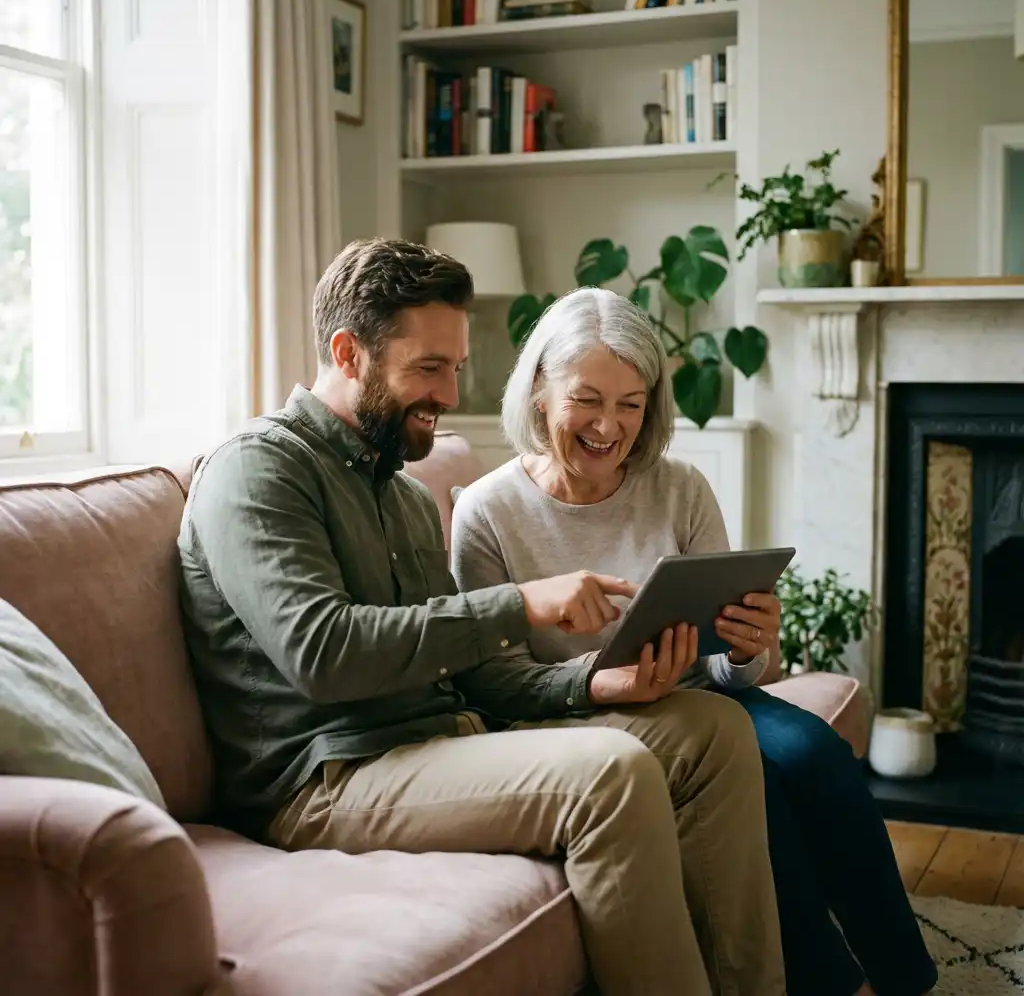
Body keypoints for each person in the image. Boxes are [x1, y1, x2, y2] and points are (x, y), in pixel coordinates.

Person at [177, 238, 786, 996]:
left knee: (713, 730)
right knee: (612, 773)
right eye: (429, 368)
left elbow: (475, 679)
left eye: (456, 367)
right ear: (348, 352)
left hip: (439, 740)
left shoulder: (398, 493)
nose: (448, 390)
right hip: (327, 779)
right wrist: (520, 604)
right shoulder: (256, 469)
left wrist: (595, 683)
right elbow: (323, 652)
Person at [450, 286, 939, 996]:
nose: (609, 426)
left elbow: (737, 668)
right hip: (585, 713)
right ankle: (831, 984)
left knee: (817, 754)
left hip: (699, 692)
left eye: (631, 403)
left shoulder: (680, 488)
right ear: (537, 394)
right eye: (587, 399)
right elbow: (494, 681)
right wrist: (601, 679)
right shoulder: (487, 513)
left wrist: (746, 650)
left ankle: (907, 978)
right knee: (758, 779)